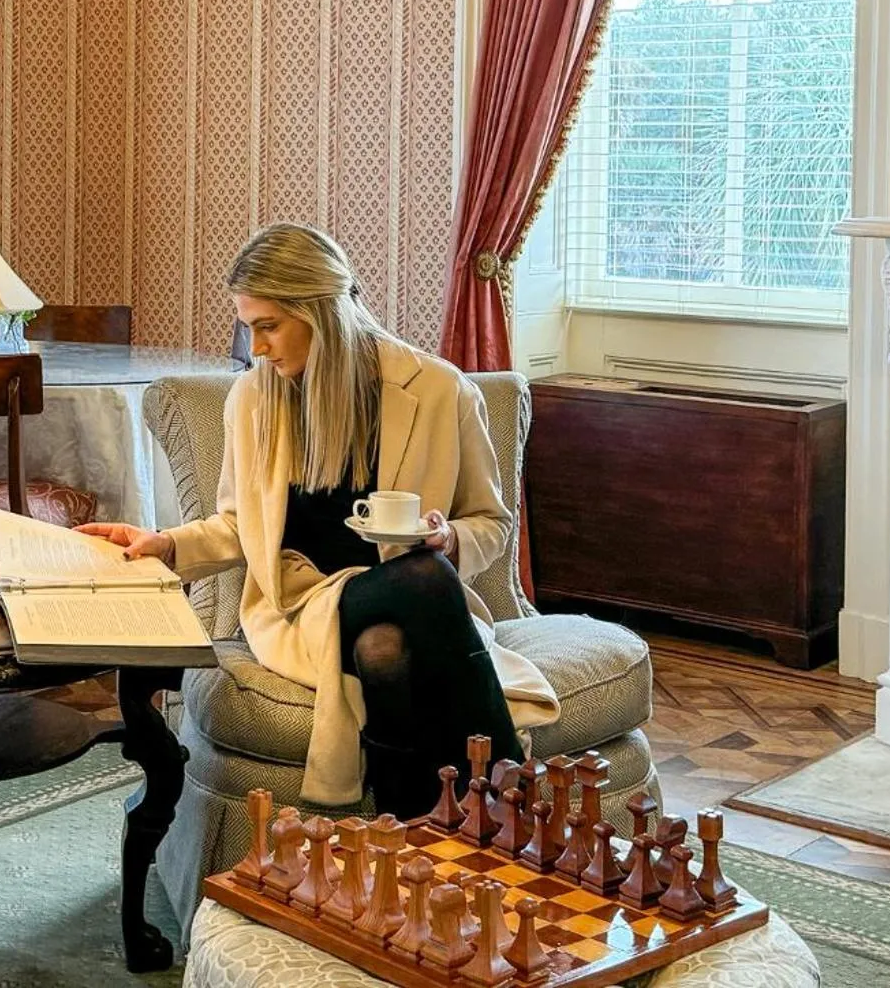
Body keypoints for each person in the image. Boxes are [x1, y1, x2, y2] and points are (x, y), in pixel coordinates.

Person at [77, 222, 558, 814]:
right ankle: (518, 806)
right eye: (250, 328)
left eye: (268, 326)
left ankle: (413, 839)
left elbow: (491, 522)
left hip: (408, 607)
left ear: (322, 312)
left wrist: (449, 536)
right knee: (427, 577)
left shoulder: (439, 391)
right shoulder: (253, 399)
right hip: (304, 606)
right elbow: (237, 525)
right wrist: (166, 544)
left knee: (385, 646)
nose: (257, 348)